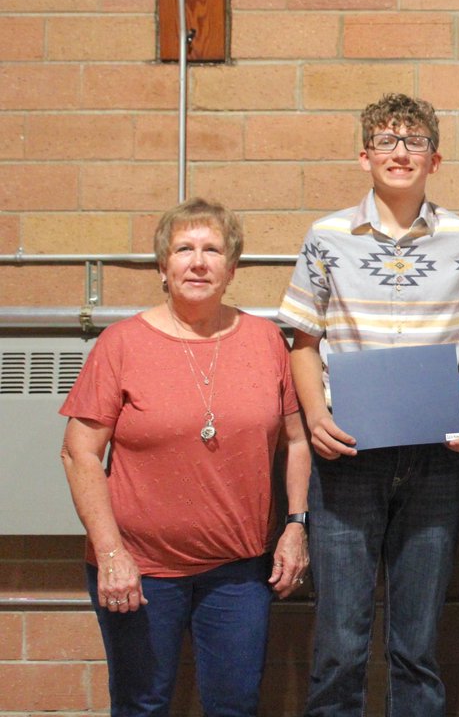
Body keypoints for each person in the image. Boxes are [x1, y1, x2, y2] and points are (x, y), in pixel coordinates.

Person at [279, 92, 459, 717]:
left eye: (413, 142)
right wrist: (317, 417)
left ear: (435, 157)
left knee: (418, 645)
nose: (399, 153)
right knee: (340, 645)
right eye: (386, 141)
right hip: (347, 456)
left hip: (435, 460)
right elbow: (303, 341)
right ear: (364, 156)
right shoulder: (325, 238)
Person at [59, 197, 311, 716]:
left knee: (235, 705)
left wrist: (295, 524)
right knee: (142, 704)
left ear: (232, 266)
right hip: (140, 569)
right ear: (163, 266)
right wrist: (111, 554)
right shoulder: (120, 343)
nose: (198, 262)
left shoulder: (266, 341)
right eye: (184, 249)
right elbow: (79, 453)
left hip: (240, 571)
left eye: (212, 250)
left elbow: (298, 441)